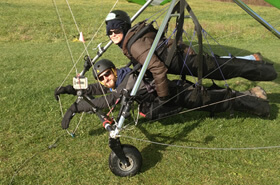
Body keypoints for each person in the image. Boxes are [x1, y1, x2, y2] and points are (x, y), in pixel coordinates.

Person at [105, 10, 277, 99]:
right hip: (182, 59)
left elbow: (158, 68)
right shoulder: (132, 40)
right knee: (223, 66)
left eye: (116, 29)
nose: (113, 34)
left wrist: (163, 96)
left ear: (125, 27)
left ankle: (270, 72)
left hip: (186, 61)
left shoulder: (133, 44)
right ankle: (259, 64)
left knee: (225, 69)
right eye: (109, 32)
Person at [55, 59, 270, 129]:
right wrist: (70, 89)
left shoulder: (127, 81)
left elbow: (108, 99)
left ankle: (260, 106)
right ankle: (252, 92)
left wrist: (75, 108)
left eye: (107, 75)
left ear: (114, 70)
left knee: (218, 102)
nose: (105, 80)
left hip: (180, 94)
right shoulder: (117, 80)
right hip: (173, 96)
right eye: (101, 78)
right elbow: (98, 90)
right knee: (215, 97)